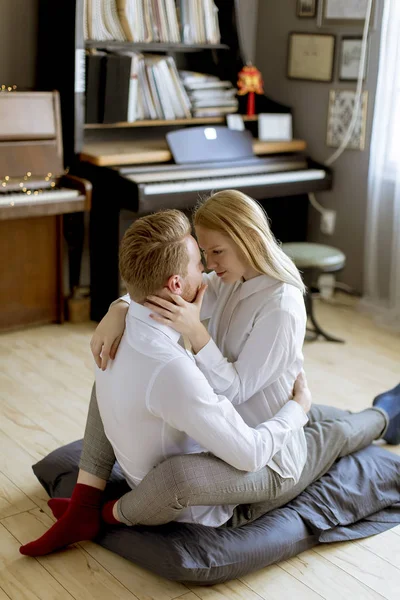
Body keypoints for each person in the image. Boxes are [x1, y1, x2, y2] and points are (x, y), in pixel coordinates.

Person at [19, 195, 398, 557]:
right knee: (320, 414)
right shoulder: (227, 279)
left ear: (248, 240)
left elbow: (236, 393)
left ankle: (385, 414)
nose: (210, 265)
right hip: (235, 425)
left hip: (273, 448)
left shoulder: (280, 307)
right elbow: (157, 285)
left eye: (216, 253)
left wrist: (295, 409)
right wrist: (119, 307)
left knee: (332, 432)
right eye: (204, 254)